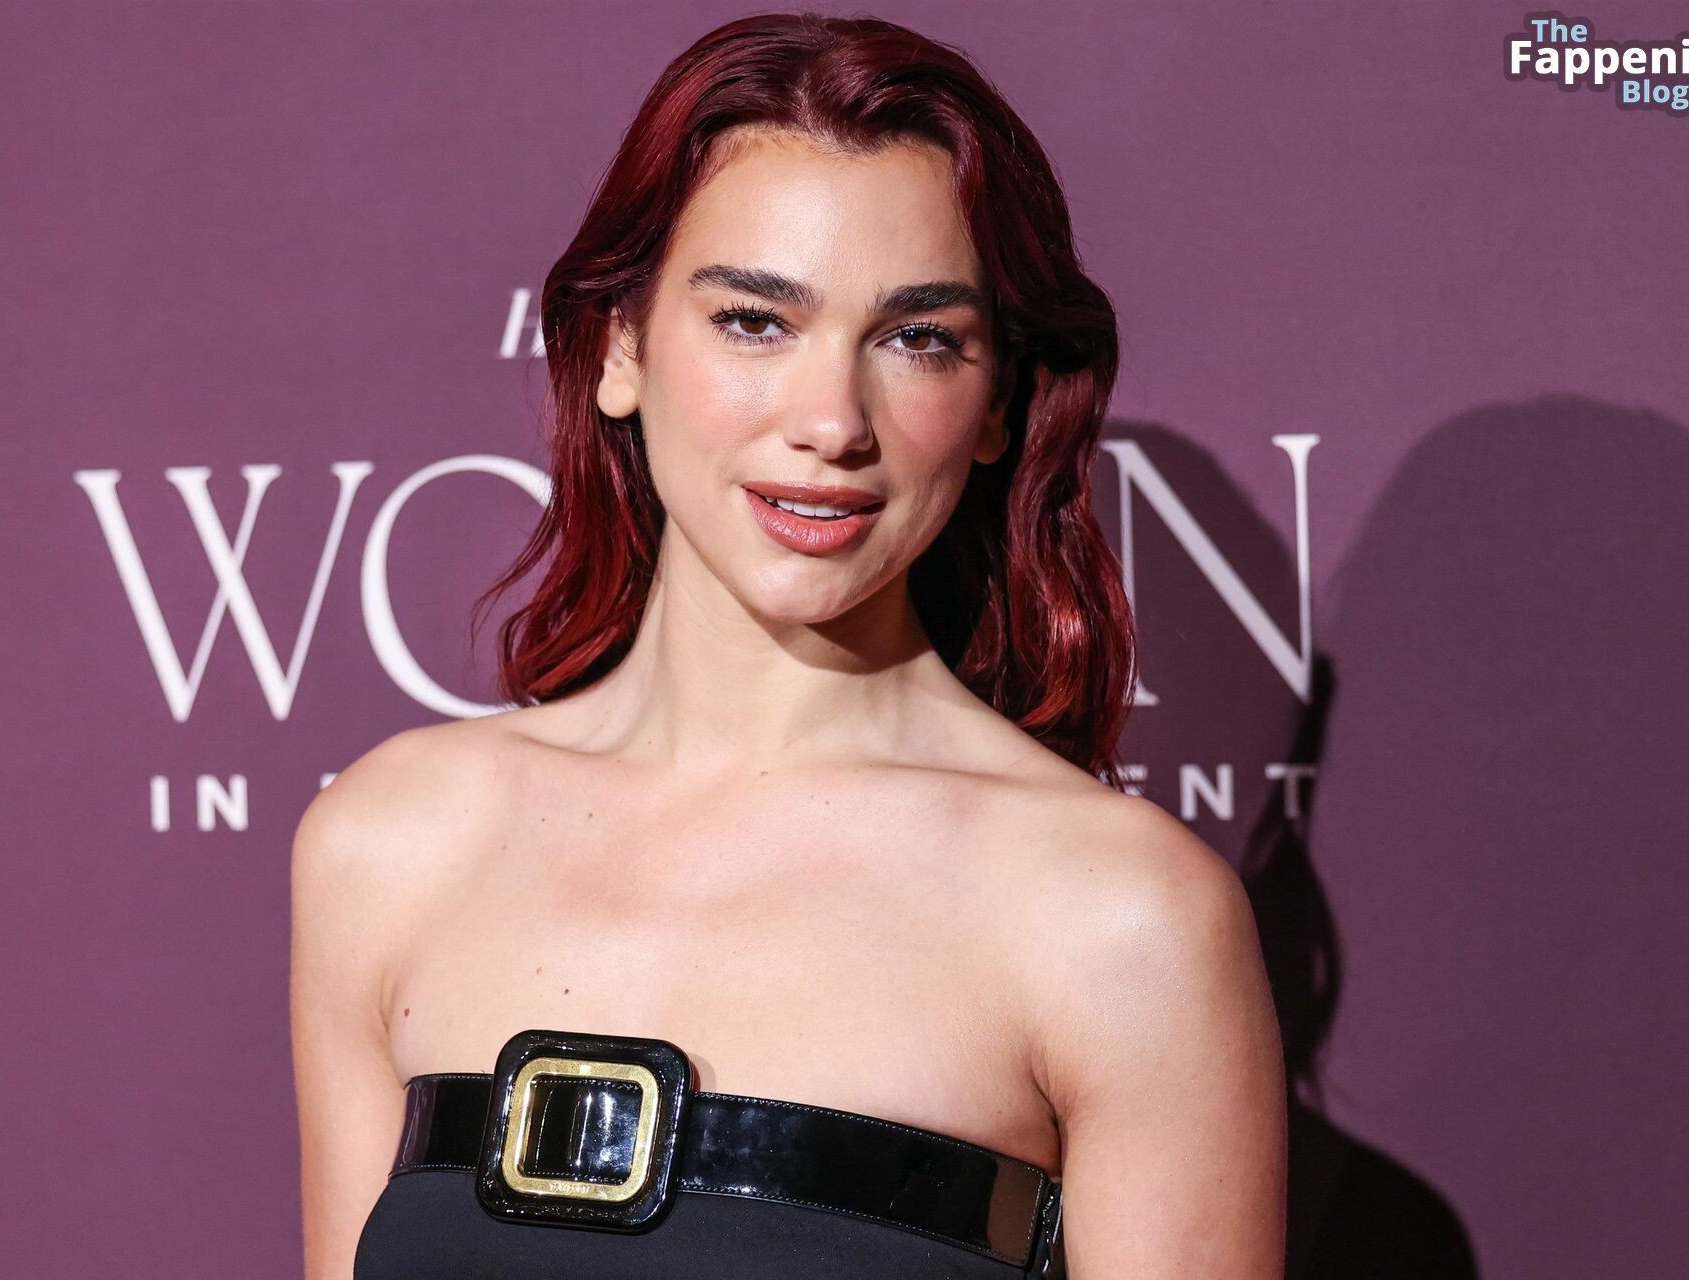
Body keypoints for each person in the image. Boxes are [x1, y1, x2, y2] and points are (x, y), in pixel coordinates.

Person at [290, 11, 1285, 1278]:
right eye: (756, 320)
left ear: (995, 403)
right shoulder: (391, 846)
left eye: (918, 338)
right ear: (618, 346)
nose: (831, 422)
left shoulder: (1120, 917)